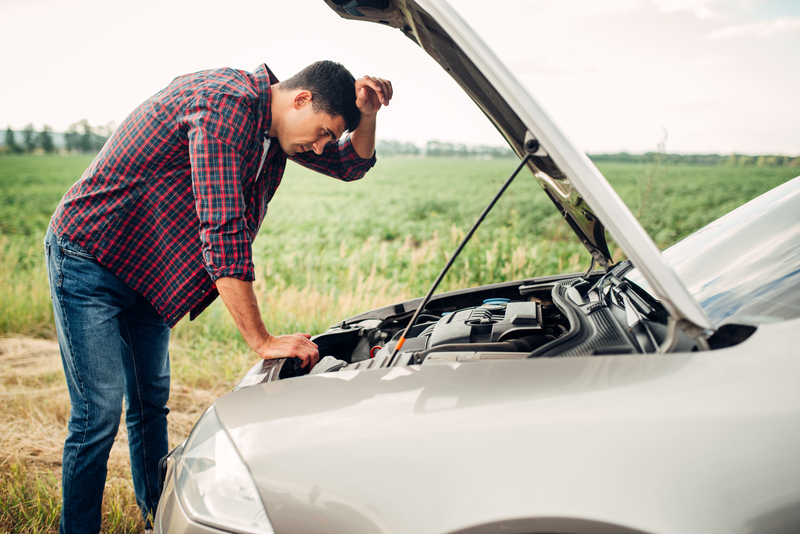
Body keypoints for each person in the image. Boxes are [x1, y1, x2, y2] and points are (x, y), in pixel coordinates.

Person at [44, 60, 392, 534]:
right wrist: (263, 340)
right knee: (98, 411)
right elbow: (223, 230)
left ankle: (155, 518)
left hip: (145, 270)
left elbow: (351, 165)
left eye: (326, 140)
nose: (319, 147)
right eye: (322, 133)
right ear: (301, 99)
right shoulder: (225, 104)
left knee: (150, 404)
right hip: (91, 254)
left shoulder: (277, 131)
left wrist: (366, 115)